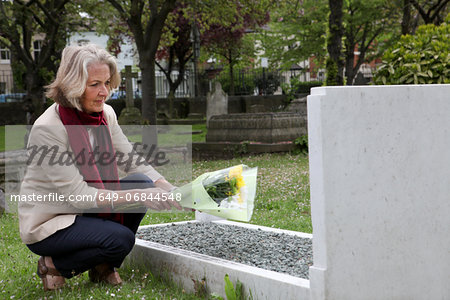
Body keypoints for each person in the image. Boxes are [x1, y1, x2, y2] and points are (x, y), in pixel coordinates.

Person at [18, 44, 182, 291]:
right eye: (94, 84)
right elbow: (79, 196)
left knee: (142, 181)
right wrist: (142, 197)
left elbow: (130, 159)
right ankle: (53, 264)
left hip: (85, 211)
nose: (104, 92)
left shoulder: (106, 114)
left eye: (107, 83)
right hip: (51, 222)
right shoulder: (48, 129)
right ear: (72, 84)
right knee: (121, 239)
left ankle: (101, 266)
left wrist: (170, 188)